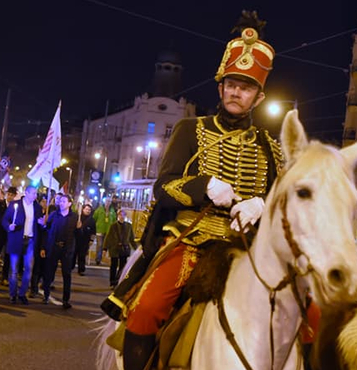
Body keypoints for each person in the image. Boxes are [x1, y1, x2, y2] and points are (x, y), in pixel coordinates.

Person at [101, 13, 283, 370]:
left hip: (245, 248)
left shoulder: (270, 148)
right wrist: (203, 187)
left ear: (258, 97)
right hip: (191, 240)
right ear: (220, 88)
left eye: (245, 87)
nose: (235, 92)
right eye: (231, 84)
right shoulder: (190, 129)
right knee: (147, 309)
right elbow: (163, 186)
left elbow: (283, 202)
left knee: (302, 312)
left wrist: (263, 206)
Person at [2, 185, 44, 304]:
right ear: (26, 193)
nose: (35, 196)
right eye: (33, 193)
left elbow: (39, 224)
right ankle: (13, 293)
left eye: (36, 193)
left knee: (28, 269)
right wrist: (9, 227)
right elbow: (5, 220)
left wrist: (41, 223)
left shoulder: (37, 207)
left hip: (30, 240)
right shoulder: (15, 205)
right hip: (16, 239)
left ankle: (22, 293)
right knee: (14, 269)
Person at [40, 194, 76, 309]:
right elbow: (46, 231)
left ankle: (66, 299)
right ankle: (46, 295)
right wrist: (43, 246)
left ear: (69, 204)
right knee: (49, 272)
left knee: (67, 274)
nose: (61, 203)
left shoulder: (74, 217)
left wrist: (80, 229)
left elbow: (78, 235)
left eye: (64, 201)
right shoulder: (53, 215)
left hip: (66, 249)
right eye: (60, 201)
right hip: (53, 247)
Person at [103, 209, 137, 288]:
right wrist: (105, 248)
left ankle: (118, 281)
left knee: (122, 266)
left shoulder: (128, 226)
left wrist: (136, 248)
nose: (122, 217)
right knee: (114, 265)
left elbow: (132, 238)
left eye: (123, 215)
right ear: (118, 216)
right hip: (114, 248)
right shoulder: (113, 226)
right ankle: (112, 281)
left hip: (124, 248)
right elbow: (109, 237)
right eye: (120, 215)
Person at [0, 186, 19, 283]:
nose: (10, 197)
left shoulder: (16, 207)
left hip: (10, 234)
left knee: (7, 255)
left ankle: (4, 276)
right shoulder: (0, 205)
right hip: (0, 233)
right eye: (8, 194)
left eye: (12, 195)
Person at [93, 197, 117, 265]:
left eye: (109, 201)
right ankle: (98, 259)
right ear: (104, 202)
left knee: (106, 246)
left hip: (108, 231)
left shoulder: (112, 211)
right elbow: (94, 217)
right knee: (99, 245)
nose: (108, 203)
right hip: (100, 230)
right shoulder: (99, 209)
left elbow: (114, 220)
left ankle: (107, 259)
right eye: (106, 201)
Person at [74, 203, 96, 275]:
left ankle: (81, 269)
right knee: (73, 254)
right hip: (76, 239)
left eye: (89, 210)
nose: (88, 211)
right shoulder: (78, 217)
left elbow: (93, 231)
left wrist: (91, 240)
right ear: (83, 209)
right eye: (86, 209)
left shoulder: (92, 220)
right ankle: (71, 266)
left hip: (85, 241)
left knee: (82, 255)